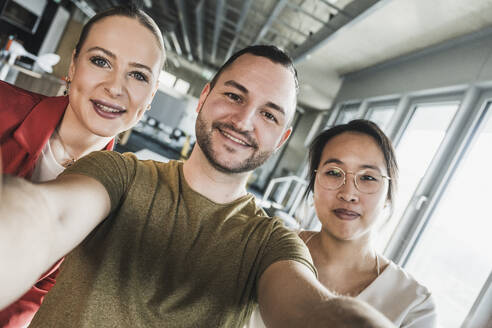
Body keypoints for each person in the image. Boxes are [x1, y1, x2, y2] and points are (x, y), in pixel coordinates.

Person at [0, 47, 394, 327]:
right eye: (233, 95)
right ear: (204, 96)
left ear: (282, 137)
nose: (243, 120)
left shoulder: (272, 245)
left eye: (268, 115)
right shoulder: (116, 173)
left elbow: (308, 311)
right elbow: (47, 215)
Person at [0, 5, 165, 327]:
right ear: (73, 65)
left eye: (138, 75)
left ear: (151, 96)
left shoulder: (122, 208)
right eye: (101, 61)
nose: (115, 87)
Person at [246, 120, 437, 328]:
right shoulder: (264, 246)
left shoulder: (414, 305)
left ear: (388, 196)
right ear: (313, 184)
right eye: (334, 173)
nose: (348, 194)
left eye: (368, 178)